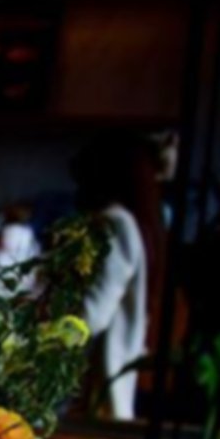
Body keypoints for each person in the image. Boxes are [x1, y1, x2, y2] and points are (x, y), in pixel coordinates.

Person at [71, 131, 167, 421]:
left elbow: (94, 311)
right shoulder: (127, 221)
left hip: (101, 370)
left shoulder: (114, 223)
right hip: (106, 370)